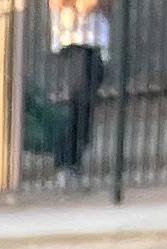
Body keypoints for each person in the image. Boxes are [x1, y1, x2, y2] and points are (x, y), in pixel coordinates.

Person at [50, 0, 110, 178]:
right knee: (77, 103)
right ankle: (67, 160)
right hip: (74, 42)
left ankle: (72, 159)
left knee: (84, 105)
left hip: (94, 43)